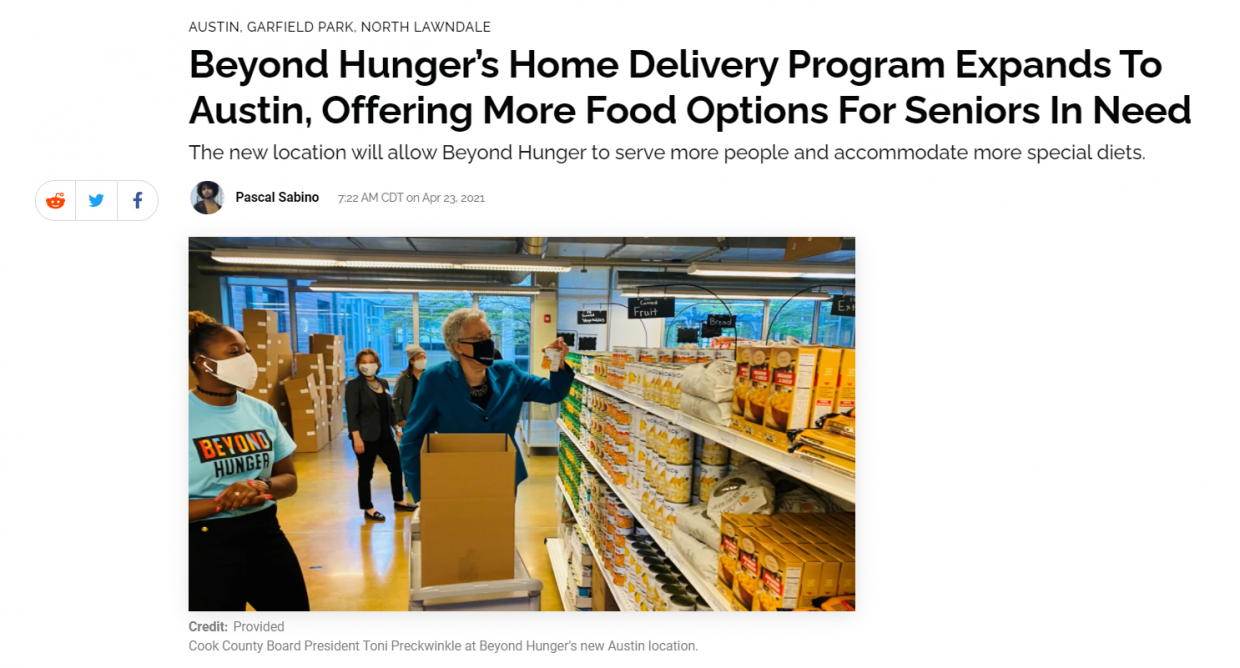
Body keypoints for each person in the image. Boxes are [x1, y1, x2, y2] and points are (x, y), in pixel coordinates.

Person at [187, 311, 309, 611]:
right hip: (202, 545)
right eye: (234, 352)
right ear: (204, 362)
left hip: (265, 534)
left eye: (246, 351)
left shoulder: (262, 411)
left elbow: (289, 480)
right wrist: (227, 501)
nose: (246, 358)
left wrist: (261, 486)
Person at [398, 307, 573, 503]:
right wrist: (422, 493)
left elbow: (553, 392)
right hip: (455, 477)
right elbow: (412, 439)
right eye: (480, 338)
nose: (488, 343)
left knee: (498, 531)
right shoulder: (436, 379)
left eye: (489, 336)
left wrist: (557, 361)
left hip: (504, 474)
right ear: (458, 346)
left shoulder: (509, 373)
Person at [345, 348, 416, 520]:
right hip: (365, 437)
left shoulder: (383, 383)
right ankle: (368, 507)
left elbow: (388, 409)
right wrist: (356, 438)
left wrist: (396, 428)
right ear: (358, 366)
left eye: (371, 362)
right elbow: (352, 414)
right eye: (364, 362)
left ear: (377, 364)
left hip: (385, 435)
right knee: (366, 474)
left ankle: (399, 500)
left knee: (397, 468)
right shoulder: (354, 386)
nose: (368, 365)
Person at [391, 344, 427, 439]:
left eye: (424, 357)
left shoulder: (428, 376)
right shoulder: (403, 378)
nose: (423, 360)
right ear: (411, 361)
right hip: (409, 420)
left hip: (426, 418)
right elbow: (395, 400)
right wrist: (400, 420)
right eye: (419, 358)